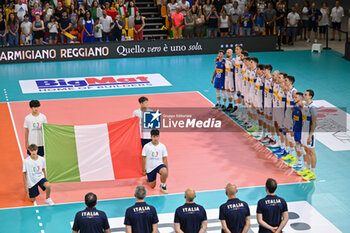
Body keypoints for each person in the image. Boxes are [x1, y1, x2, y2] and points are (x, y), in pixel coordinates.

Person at [142, 129, 169, 194]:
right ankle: (149, 177)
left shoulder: (162, 146)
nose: (155, 138)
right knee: (152, 186)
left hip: (159, 165)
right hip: (150, 168)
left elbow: (165, 159)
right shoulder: (146, 146)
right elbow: (143, 158)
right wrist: (144, 170)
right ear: (151, 137)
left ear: (159, 136)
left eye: (157, 136)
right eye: (154, 136)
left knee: (164, 172)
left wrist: (167, 171)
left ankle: (163, 185)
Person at [298, 89, 317, 181]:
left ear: (310, 96)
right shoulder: (305, 105)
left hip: (309, 132)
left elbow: (314, 123)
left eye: (306, 95)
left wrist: (310, 136)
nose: (304, 96)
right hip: (303, 130)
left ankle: (312, 173)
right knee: (305, 149)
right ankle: (307, 169)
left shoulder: (313, 107)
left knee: (311, 152)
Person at [288, 92, 304, 169]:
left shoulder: (303, 108)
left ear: (300, 98)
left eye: (296, 98)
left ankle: (303, 164)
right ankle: (298, 161)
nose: (294, 99)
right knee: (297, 145)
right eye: (294, 98)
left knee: (302, 147)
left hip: (301, 130)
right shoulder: (294, 107)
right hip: (295, 129)